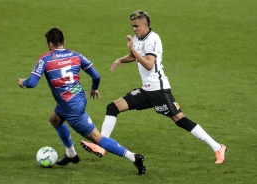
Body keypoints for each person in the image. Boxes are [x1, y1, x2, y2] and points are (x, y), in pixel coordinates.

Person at [81, 10, 227, 164]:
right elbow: (134, 56)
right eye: (132, 26)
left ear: (145, 25)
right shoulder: (138, 38)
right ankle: (102, 146)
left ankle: (218, 147)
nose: (134, 29)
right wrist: (121, 59)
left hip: (159, 90)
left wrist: (132, 50)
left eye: (136, 26)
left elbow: (149, 64)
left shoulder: (153, 39)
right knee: (113, 107)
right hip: (146, 90)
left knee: (180, 120)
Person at [17, 28, 146, 175]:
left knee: (98, 139)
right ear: (62, 41)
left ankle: (134, 157)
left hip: (70, 107)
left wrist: (22, 82)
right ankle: (71, 154)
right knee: (55, 120)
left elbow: (32, 83)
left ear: (50, 43)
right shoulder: (75, 55)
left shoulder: (45, 59)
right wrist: (94, 88)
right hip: (78, 98)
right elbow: (96, 76)